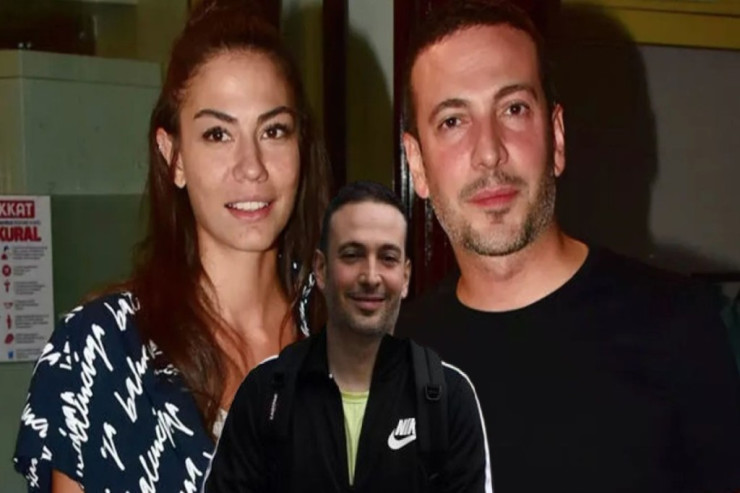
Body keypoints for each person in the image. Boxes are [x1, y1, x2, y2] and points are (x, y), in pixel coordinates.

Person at [397, 1, 740, 492]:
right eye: (453, 121)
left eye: (514, 109)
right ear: (417, 165)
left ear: (556, 137)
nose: (489, 151)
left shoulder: (685, 329)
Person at [13, 1, 330, 491]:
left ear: (301, 146)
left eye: (273, 131)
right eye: (217, 134)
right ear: (174, 155)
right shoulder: (103, 351)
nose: (251, 167)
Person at [203, 181, 492, 492]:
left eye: (388, 258)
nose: (370, 277)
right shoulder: (265, 395)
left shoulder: (447, 398)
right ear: (322, 269)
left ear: (405, 277)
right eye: (352, 255)